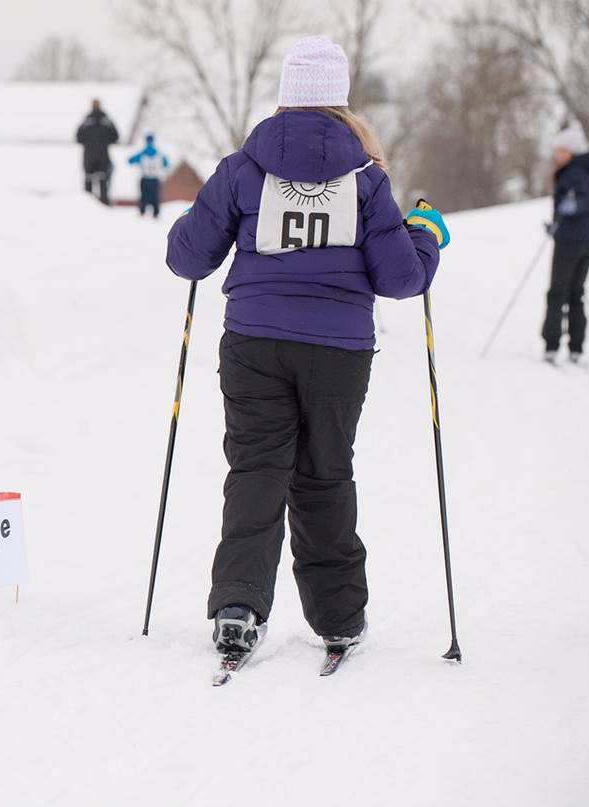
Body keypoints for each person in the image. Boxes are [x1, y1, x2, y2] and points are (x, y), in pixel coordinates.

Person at [164, 36, 448, 664]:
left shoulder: (241, 168)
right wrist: (424, 236)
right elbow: (401, 279)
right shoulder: (367, 180)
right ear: (340, 104)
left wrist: (191, 222)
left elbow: (189, 257)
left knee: (256, 470)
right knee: (324, 474)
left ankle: (238, 607)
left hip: (254, 343)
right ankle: (340, 618)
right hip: (338, 352)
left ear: (286, 98)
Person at [542, 120, 589, 364]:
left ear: (572, 152)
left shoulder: (573, 172)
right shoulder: (583, 170)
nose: (557, 155)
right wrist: (556, 223)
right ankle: (576, 347)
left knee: (558, 291)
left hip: (570, 240)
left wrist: (564, 212)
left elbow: (581, 202)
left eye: (561, 151)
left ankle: (552, 345)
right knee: (576, 291)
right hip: (587, 239)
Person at [76, 99, 118, 205]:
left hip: (89, 156)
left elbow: (78, 137)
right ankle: (104, 203)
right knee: (102, 181)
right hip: (103, 155)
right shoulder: (106, 120)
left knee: (88, 181)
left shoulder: (87, 121)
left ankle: (87, 204)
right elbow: (115, 137)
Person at [128, 133, 170, 218]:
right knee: (155, 197)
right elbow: (166, 164)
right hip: (155, 179)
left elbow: (131, 160)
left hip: (145, 179)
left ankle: (142, 212)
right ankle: (156, 213)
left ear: (146, 141)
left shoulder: (143, 153)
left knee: (144, 196)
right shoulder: (158, 153)